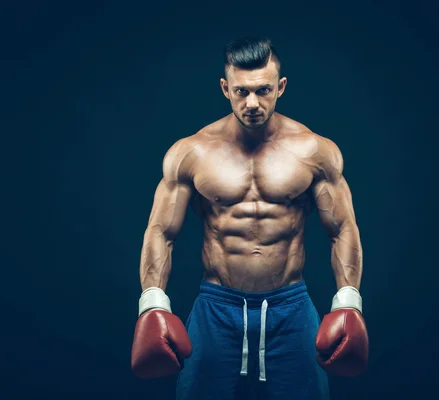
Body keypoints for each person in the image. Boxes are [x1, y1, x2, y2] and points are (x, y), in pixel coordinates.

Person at [130, 37, 369, 400]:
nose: (252, 103)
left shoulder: (314, 151)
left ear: (281, 87)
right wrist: (152, 303)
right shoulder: (191, 152)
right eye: (241, 91)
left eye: (263, 90)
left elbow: (342, 228)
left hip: (290, 308)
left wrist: (349, 300)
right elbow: (161, 231)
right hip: (216, 309)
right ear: (225, 88)